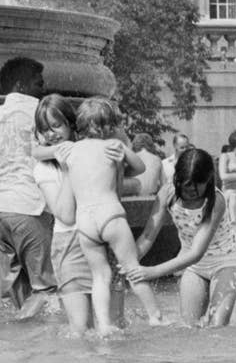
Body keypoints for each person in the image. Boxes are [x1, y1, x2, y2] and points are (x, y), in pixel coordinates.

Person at [64, 97, 166, 334]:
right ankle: (155, 316)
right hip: (110, 215)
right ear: (109, 126)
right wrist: (124, 151)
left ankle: (104, 325)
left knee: (100, 275)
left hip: (85, 221)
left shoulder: (71, 151)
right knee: (132, 268)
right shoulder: (113, 146)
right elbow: (141, 169)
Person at [31, 95, 125, 332]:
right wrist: (67, 168)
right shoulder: (44, 169)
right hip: (70, 246)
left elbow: (119, 189)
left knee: (114, 328)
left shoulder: (98, 150)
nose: (51, 134)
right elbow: (66, 215)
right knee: (81, 329)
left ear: (72, 124)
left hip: (103, 241)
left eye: (56, 125)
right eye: (44, 129)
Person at [128, 148, 236, 327]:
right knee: (189, 327)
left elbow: (197, 252)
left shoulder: (216, 201)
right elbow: (148, 236)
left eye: (198, 184)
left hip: (225, 263)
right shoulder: (168, 194)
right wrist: (128, 263)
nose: (191, 189)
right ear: (178, 178)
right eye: (186, 184)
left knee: (217, 326)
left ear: (208, 179)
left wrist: (152, 272)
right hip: (193, 267)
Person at [0, 56, 57, 317]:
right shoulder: (39, 113)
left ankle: (19, 348)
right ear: (21, 85)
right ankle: (42, 346)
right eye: (38, 83)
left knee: (15, 290)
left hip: (2, 210)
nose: (43, 89)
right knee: (45, 289)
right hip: (29, 208)